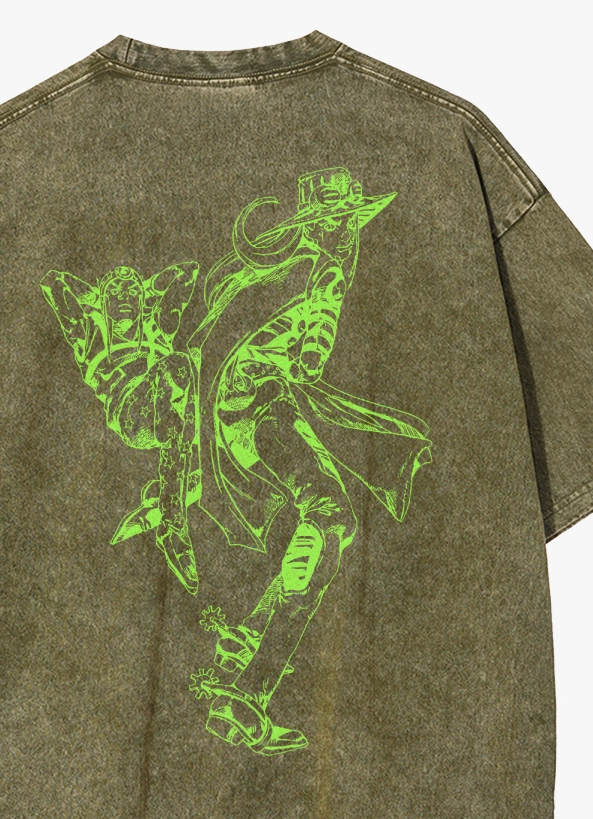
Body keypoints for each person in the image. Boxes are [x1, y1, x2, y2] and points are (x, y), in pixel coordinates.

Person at [187, 167, 432, 755]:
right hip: (265, 406)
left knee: (317, 527)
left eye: (349, 222)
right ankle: (248, 693)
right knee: (329, 519)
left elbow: (216, 336)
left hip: (237, 414)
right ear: (320, 228)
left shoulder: (278, 270)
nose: (346, 233)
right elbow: (311, 358)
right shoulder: (324, 274)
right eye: (338, 223)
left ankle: (243, 643)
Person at [41, 261, 201, 594]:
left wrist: (149, 288)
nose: (124, 297)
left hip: (168, 413)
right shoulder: (91, 337)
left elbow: (188, 271)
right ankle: (172, 521)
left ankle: (185, 478)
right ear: (104, 300)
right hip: (132, 415)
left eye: (131, 292)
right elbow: (53, 281)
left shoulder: (157, 329)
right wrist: (94, 296)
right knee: (180, 364)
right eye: (116, 292)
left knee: (197, 360)